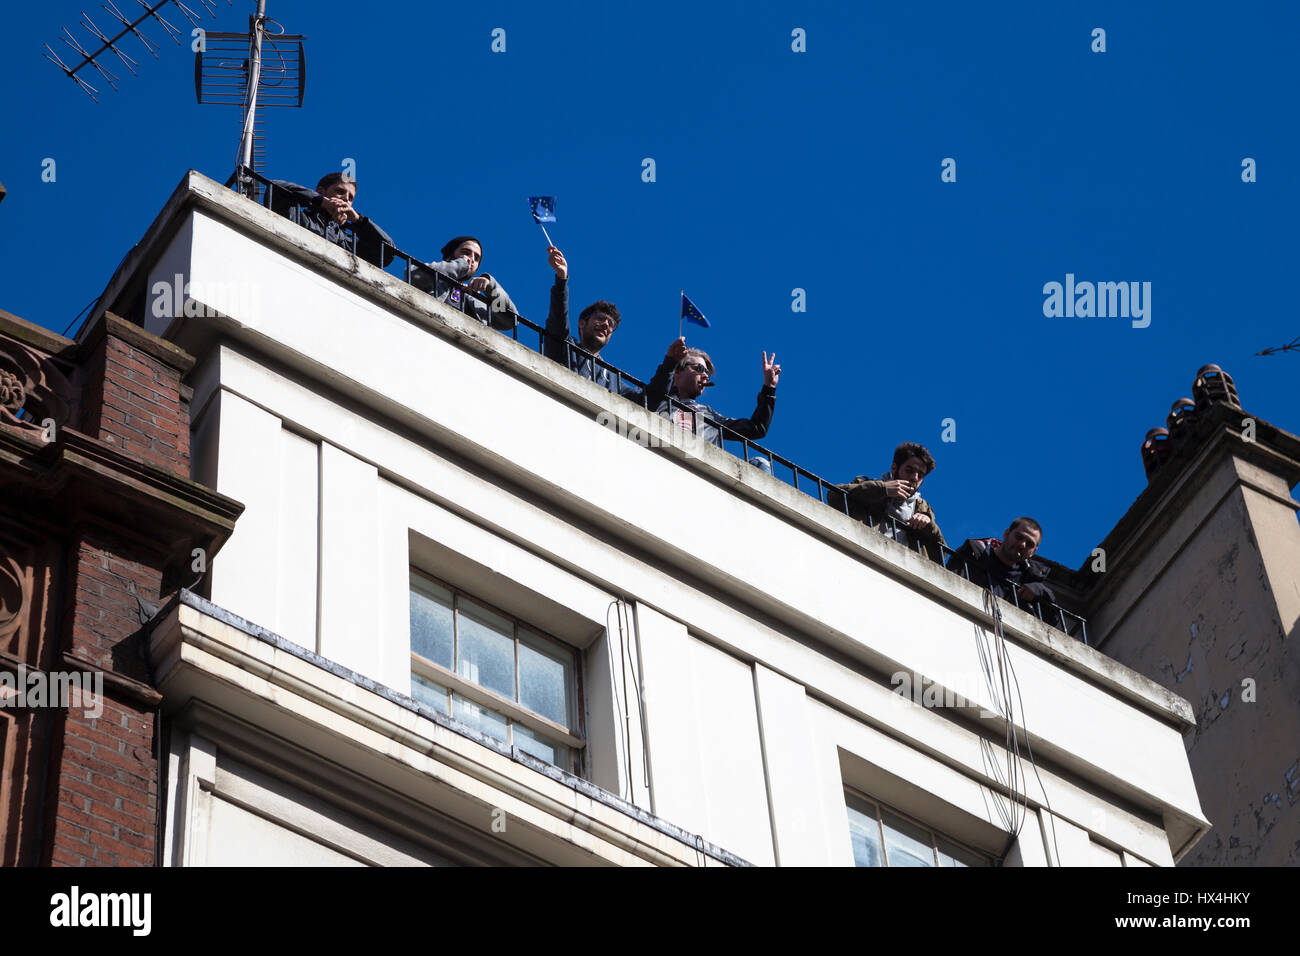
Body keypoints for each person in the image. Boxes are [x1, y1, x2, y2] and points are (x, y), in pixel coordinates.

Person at [542, 246, 643, 401]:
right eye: (601, 318)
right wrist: (561, 279)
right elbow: (558, 319)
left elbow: (648, 400)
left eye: (611, 324)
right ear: (582, 323)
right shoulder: (565, 348)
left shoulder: (612, 379)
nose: (606, 325)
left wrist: (672, 363)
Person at [646, 338, 780, 446]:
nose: (705, 376)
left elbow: (756, 428)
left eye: (707, 373)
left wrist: (769, 387)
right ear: (677, 372)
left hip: (693, 473)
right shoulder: (654, 399)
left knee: (760, 462)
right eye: (698, 368)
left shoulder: (709, 415)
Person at [829, 442, 946, 562]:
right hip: (862, 557)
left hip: (901, 572)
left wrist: (928, 525)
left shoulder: (923, 508)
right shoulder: (869, 485)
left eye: (920, 475)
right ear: (894, 468)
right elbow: (834, 496)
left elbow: (941, 555)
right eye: (909, 470)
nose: (915, 478)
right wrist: (882, 489)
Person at [265, 172, 395, 268]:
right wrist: (322, 202)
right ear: (321, 191)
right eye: (340, 191)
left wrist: (357, 220)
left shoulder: (347, 242)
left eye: (350, 198)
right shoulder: (299, 217)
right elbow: (275, 187)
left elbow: (388, 252)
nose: (345, 199)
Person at [411, 236, 518, 331]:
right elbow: (415, 276)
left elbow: (510, 321)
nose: (471, 259)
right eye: (466, 252)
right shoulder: (433, 280)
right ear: (449, 257)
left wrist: (491, 286)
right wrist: (461, 264)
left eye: (476, 258)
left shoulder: (477, 300)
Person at [946, 517, 1057, 609]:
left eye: (1029, 544)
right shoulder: (973, 553)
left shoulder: (1030, 579)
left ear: (1034, 551)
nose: (1022, 545)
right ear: (1006, 534)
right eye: (1019, 537)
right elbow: (948, 585)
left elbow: (1052, 620)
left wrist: (1042, 592)